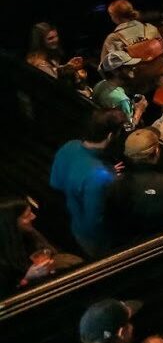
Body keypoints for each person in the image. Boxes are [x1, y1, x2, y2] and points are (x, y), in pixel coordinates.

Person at [50, 109, 122, 257]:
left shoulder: (70, 146)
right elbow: (94, 224)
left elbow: (56, 183)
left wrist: (107, 170)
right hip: (95, 241)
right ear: (110, 136)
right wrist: (109, 178)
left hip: (73, 223)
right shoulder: (99, 177)